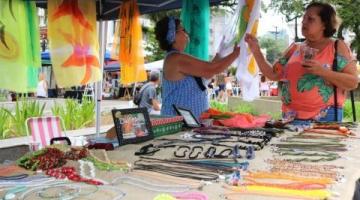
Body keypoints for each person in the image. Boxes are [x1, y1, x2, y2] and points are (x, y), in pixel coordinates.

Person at [245, 2, 358, 123]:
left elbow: (353, 82)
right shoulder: (295, 48)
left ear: (324, 24)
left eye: (310, 19)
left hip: (325, 118)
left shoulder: (337, 47)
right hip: (290, 118)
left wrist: (323, 72)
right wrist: (256, 50)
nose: (304, 22)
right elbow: (272, 74)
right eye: (303, 18)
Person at [155, 16, 240, 119]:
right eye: (183, 30)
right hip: (178, 125)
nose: (186, 34)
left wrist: (220, 54)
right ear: (173, 35)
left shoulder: (176, 57)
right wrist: (236, 54)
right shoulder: (176, 59)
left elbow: (207, 73)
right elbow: (210, 70)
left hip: (188, 124)